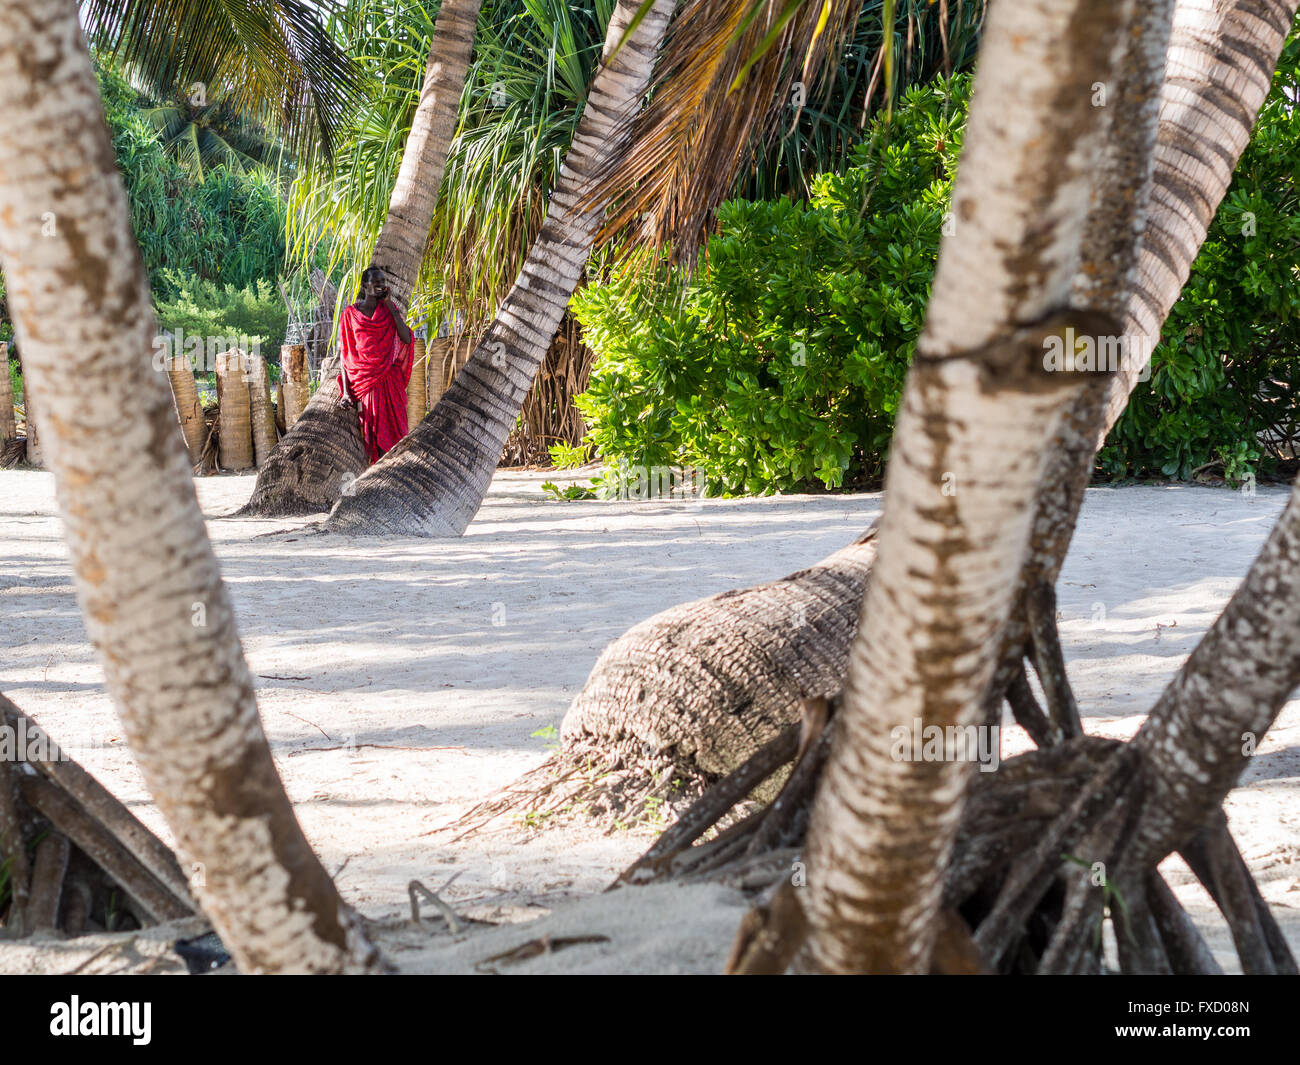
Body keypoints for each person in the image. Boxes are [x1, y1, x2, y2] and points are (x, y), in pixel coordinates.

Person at [337, 265, 414, 464]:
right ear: (364, 285)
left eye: (382, 282)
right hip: (368, 383)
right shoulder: (350, 314)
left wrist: (390, 305)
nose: (380, 286)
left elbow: (406, 338)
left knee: (399, 434)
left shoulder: (389, 311)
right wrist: (346, 392)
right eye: (375, 282)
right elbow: (346, 356)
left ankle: (396, 476)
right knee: (377, 435)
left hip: (391, 381)